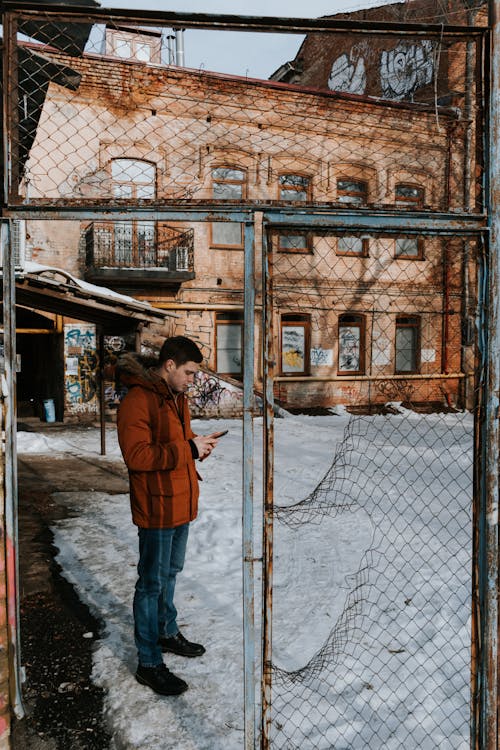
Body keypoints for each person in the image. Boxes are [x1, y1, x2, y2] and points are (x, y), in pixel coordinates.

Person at [117, 336, 222, 696]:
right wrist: (187, 448)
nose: (193, 380)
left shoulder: (177, 399)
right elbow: (137, 457)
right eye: (190, 373)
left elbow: (179, 441)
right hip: (157, 507)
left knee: (170, 574)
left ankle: (166, 631)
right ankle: (148, 662)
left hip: (180, 502)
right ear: (170, 365)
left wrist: (198, 445)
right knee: (150, 583)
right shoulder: (138, 400)